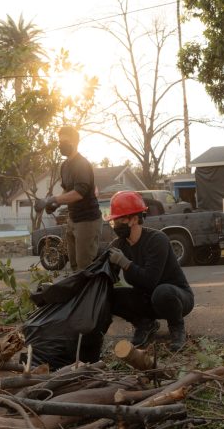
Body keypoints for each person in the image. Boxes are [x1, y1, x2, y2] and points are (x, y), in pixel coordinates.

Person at [104, 190, 194, 351]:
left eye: (119, 220)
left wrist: (125, 263)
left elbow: (150, 280)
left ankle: (177, 328)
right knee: (109, 296)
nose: (116, 226)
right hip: (147, 299)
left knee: (162, 292)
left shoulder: (157, 240)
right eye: (113, 222)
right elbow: (107, 278)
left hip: (177, 298)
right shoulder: (119, 245)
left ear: (134, 219)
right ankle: (145, 324)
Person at [35, 126, 102, 271]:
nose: (60, 145)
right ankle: (79, 292)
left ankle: (90, 293)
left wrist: (53, 199)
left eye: (64, 141)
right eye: (59, 142)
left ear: (75, 142)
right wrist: (55, 204)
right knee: (74, 264)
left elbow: (79, 193)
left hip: (88, 220)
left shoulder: (82, 164)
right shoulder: (64, 166)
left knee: (84, 266)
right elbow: (67, 188)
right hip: (73, 219)